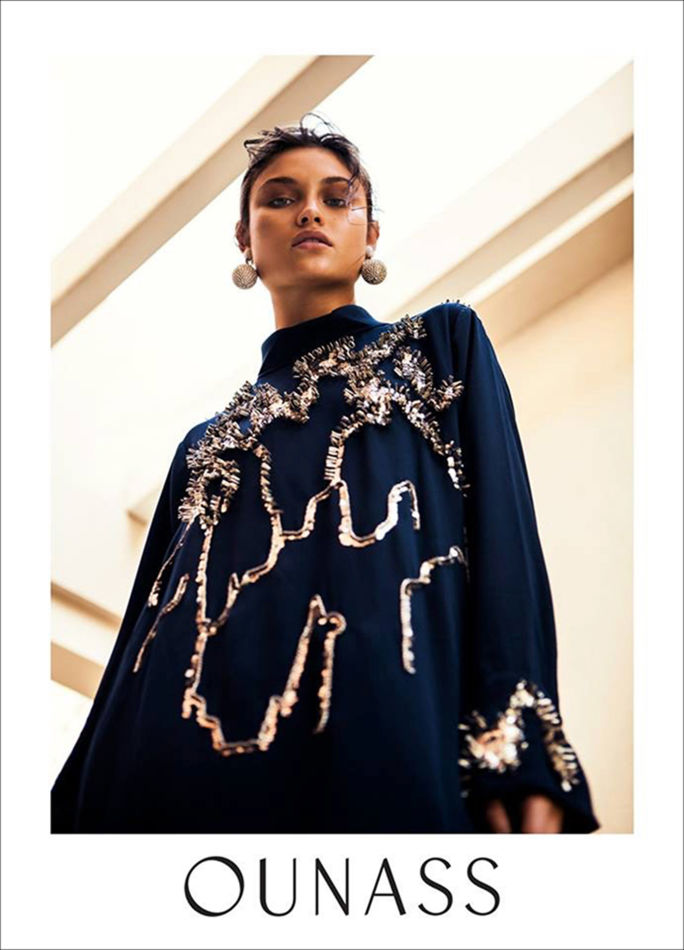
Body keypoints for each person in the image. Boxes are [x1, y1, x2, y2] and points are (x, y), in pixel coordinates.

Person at [51, 114, 600, 834]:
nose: (309, 211)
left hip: (380, 730)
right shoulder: (201, 444)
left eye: (337, 199)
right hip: (168, 766)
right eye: (279, 198)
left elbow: (506, 538)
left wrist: (518, 741)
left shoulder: (441, 344)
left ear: (371, 235)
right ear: (245, 240)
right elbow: (139, 639)